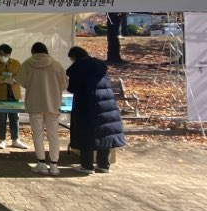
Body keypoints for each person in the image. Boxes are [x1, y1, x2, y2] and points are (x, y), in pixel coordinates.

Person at [66, 46, 126, 174]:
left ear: (74, 57)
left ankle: (87, 166)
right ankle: (104, 165)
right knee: (104, 133)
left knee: (86, 133)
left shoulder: (79, 67)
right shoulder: (99, 65)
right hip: (107, 104)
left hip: (87, 104)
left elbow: (72, 87)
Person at [17, 42, 66, 176]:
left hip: (34, 103)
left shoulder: (27, 64)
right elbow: (64, 84)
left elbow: (23, 82)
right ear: (46, 51)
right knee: (53, 134)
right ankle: (54, 165)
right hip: (53, 104)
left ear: (33, 52)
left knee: (37, 134)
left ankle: (41, 163)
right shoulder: (56, 65)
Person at [0, 43, 28, 150]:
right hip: (0, 95)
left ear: (9, 54)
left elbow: (21, 75)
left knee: (15, 118)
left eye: (5, 55)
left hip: (14, 95)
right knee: (1, 118)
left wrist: (14, 79)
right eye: (1, 54)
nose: (3, 57)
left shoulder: (16, 63)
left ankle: (16, 140)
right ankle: (2, 140)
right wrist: (3, 79)